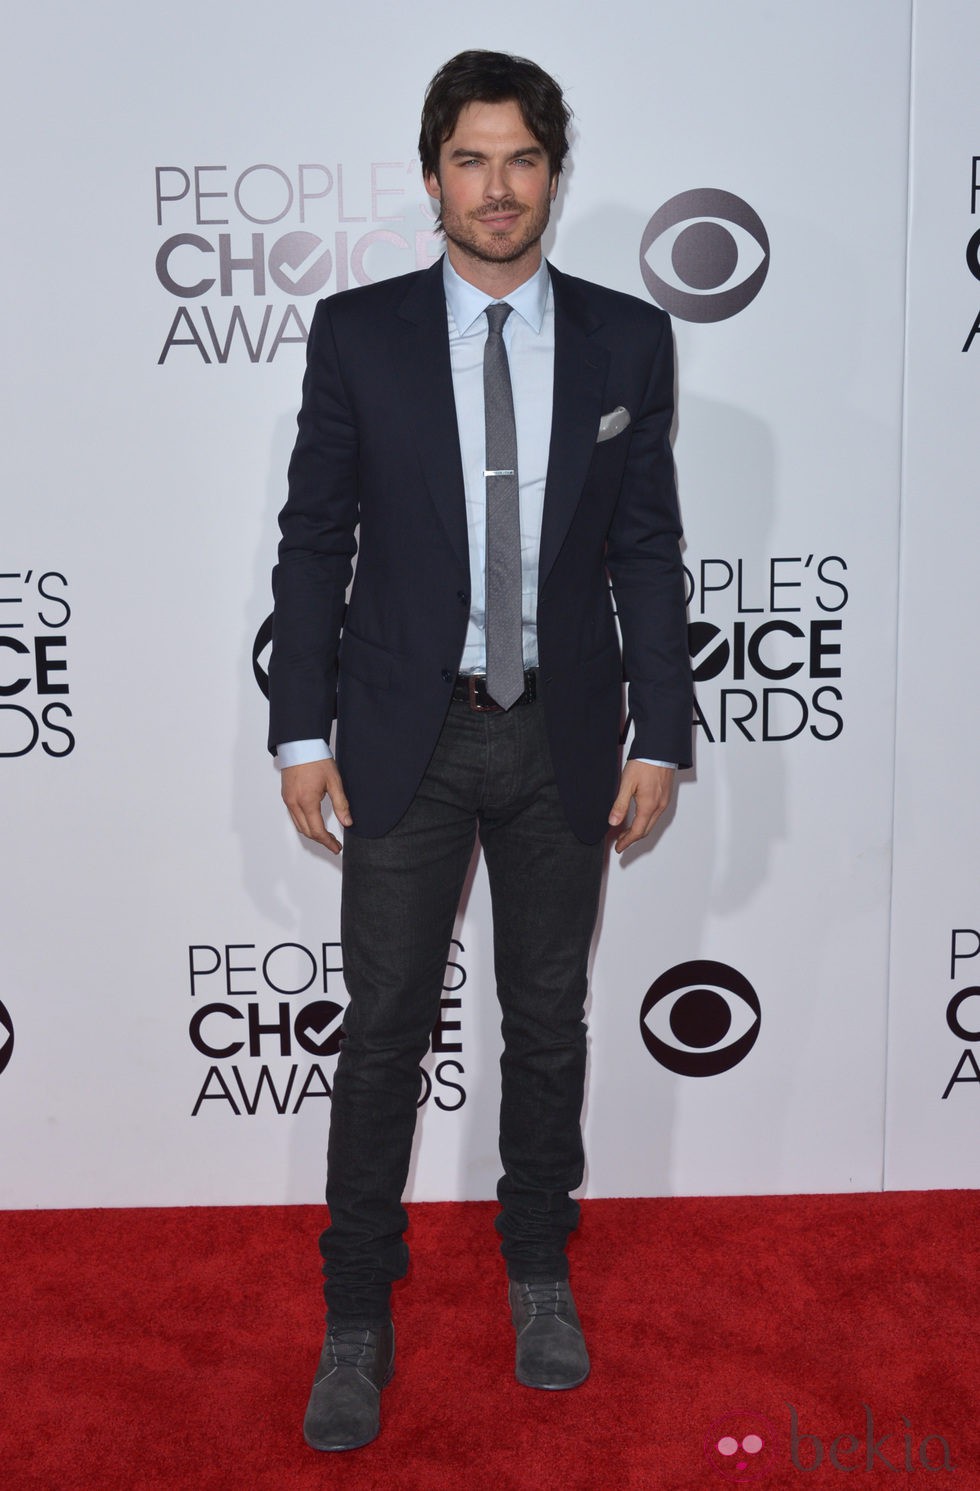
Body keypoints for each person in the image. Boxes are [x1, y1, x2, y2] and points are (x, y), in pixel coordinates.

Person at [268, 49, 693, 1452]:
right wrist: (299, 728)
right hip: (405, 735)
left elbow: (644, 545)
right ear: (432, 170)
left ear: (553, 173)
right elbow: (315, 538)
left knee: (549, 1024)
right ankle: (355, 1312)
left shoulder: (630, 341)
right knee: (383, 1035)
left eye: (521, 158)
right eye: (471, 158)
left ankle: (538, 1272)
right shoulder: (360, 333)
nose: (497, 187)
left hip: (566, 737)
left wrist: (664, 735)